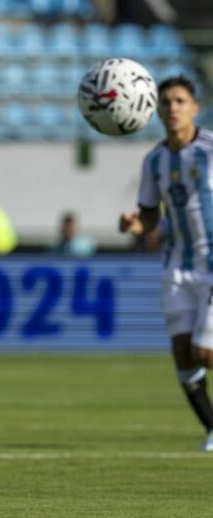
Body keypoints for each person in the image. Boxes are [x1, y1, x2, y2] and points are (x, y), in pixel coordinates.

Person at [119, 75, 213, 451]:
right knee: (183, 354)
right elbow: (149, 217)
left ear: (195, 107)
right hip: (177, 266)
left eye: (179, 101)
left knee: (205, 351)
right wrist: (133, 224)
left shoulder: (210, 149)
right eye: (166, 103)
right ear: (156, 111)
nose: (172, 108)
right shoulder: (154, 160)